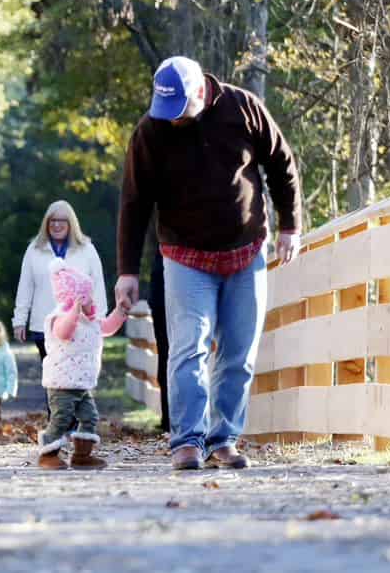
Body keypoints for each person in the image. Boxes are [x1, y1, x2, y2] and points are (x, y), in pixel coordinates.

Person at [115, 56, 301, 471]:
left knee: (239, 351)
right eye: (167, 111)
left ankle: (224, 440)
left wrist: (291, 226)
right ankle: (187, 441)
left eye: (180, 110)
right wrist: (127, 271)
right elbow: (134, 201)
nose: (173, 119)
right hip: (185, 256)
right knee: (188, 348)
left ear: (200, 91)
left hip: (245, 250)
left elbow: (281, 165)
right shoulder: (150, 131)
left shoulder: (244, 108)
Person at [38, 260, 128, 470]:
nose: (91, 301)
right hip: (61, 384)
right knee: (61, 419)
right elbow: (64, 332)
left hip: (82, 384)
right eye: (85, 297)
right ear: (73, 299)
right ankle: (47, 454)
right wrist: (74, 313)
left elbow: (106, 328)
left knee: (90, 417)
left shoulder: (92, 320)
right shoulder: (58, 318)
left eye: (90, 296)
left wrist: (119, 313)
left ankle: (82, 455)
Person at [12, 200, 107, 364]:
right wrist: (19, 321)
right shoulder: (34, 249)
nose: (56, 225)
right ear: (46, 223)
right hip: (44, 326)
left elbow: (98, 286)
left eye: (62, 220)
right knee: (51, 378)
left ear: (71, 224)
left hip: (79, 326)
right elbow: (25, 287)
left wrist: (99, 320)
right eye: (52, 221)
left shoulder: (87, 249)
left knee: (74, 379)